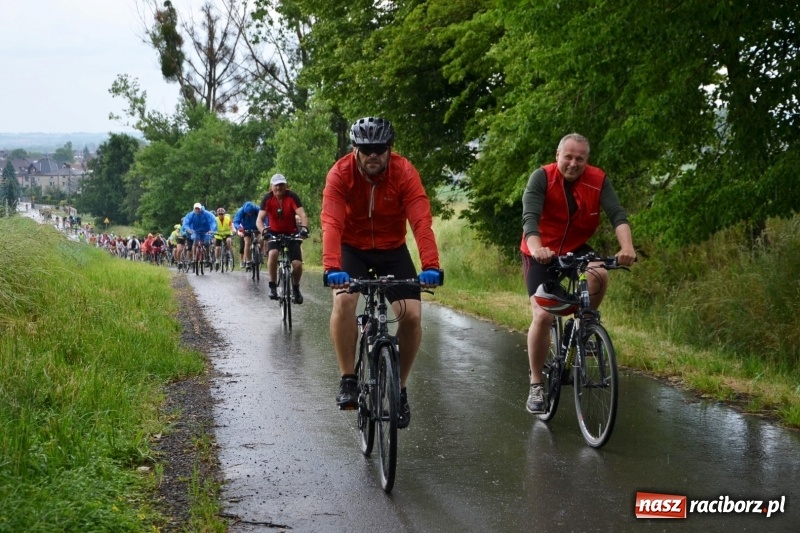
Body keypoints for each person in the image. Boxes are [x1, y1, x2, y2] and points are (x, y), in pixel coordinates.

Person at [321, 116, 442, 429]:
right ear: (356, 149)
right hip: (352, 249)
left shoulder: (404, 172)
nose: (372, 154)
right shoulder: (340, 174)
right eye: (366, 148)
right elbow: (332, 222)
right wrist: (332, 266)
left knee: (412, 316)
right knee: (344, 302)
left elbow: (420, 220)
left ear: (390, 149)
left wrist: (430, 265)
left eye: (379, 148)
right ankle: (348, 378)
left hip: (392, 250)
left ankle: (399, 389)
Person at [521, 133, 636, 414]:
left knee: (599, 273)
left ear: (587, 160)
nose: (573, 163)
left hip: (575, 246)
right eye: (568, 157)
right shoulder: (541, 178)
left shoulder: (598, 180)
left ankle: (581, 328)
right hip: (541, 248)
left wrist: (627, 247)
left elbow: (617, 215)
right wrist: (538, 249)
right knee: (544, 315)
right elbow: (530, 221)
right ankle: (536, 383)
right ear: (557, 154)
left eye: (580, 159)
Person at [256, 174, 310, 303]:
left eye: (281, 185)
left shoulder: (292, 196)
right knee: (273, 253)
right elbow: (259, 220)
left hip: (291, 233)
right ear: (271, 187)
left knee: (296, 264)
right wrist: (264, 231)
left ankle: (296, 288)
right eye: (276, 185)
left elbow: (303, 215)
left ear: (286, 186)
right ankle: (273, 286)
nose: (279, 187)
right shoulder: (267, 198)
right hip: (273, 233)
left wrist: (304, 229)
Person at [233, 200, 261, 269]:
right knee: (247, 243)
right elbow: (236, 221)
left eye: (251, 212)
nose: (250, 214)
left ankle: (260, 253)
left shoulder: (258, 209)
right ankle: (248, 261)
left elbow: (265, 218)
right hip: (246, 228)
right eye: (248, 213)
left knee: (261, 239)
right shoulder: (241, 211)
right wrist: (239, 228)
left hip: (257, 227)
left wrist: (265, 226)